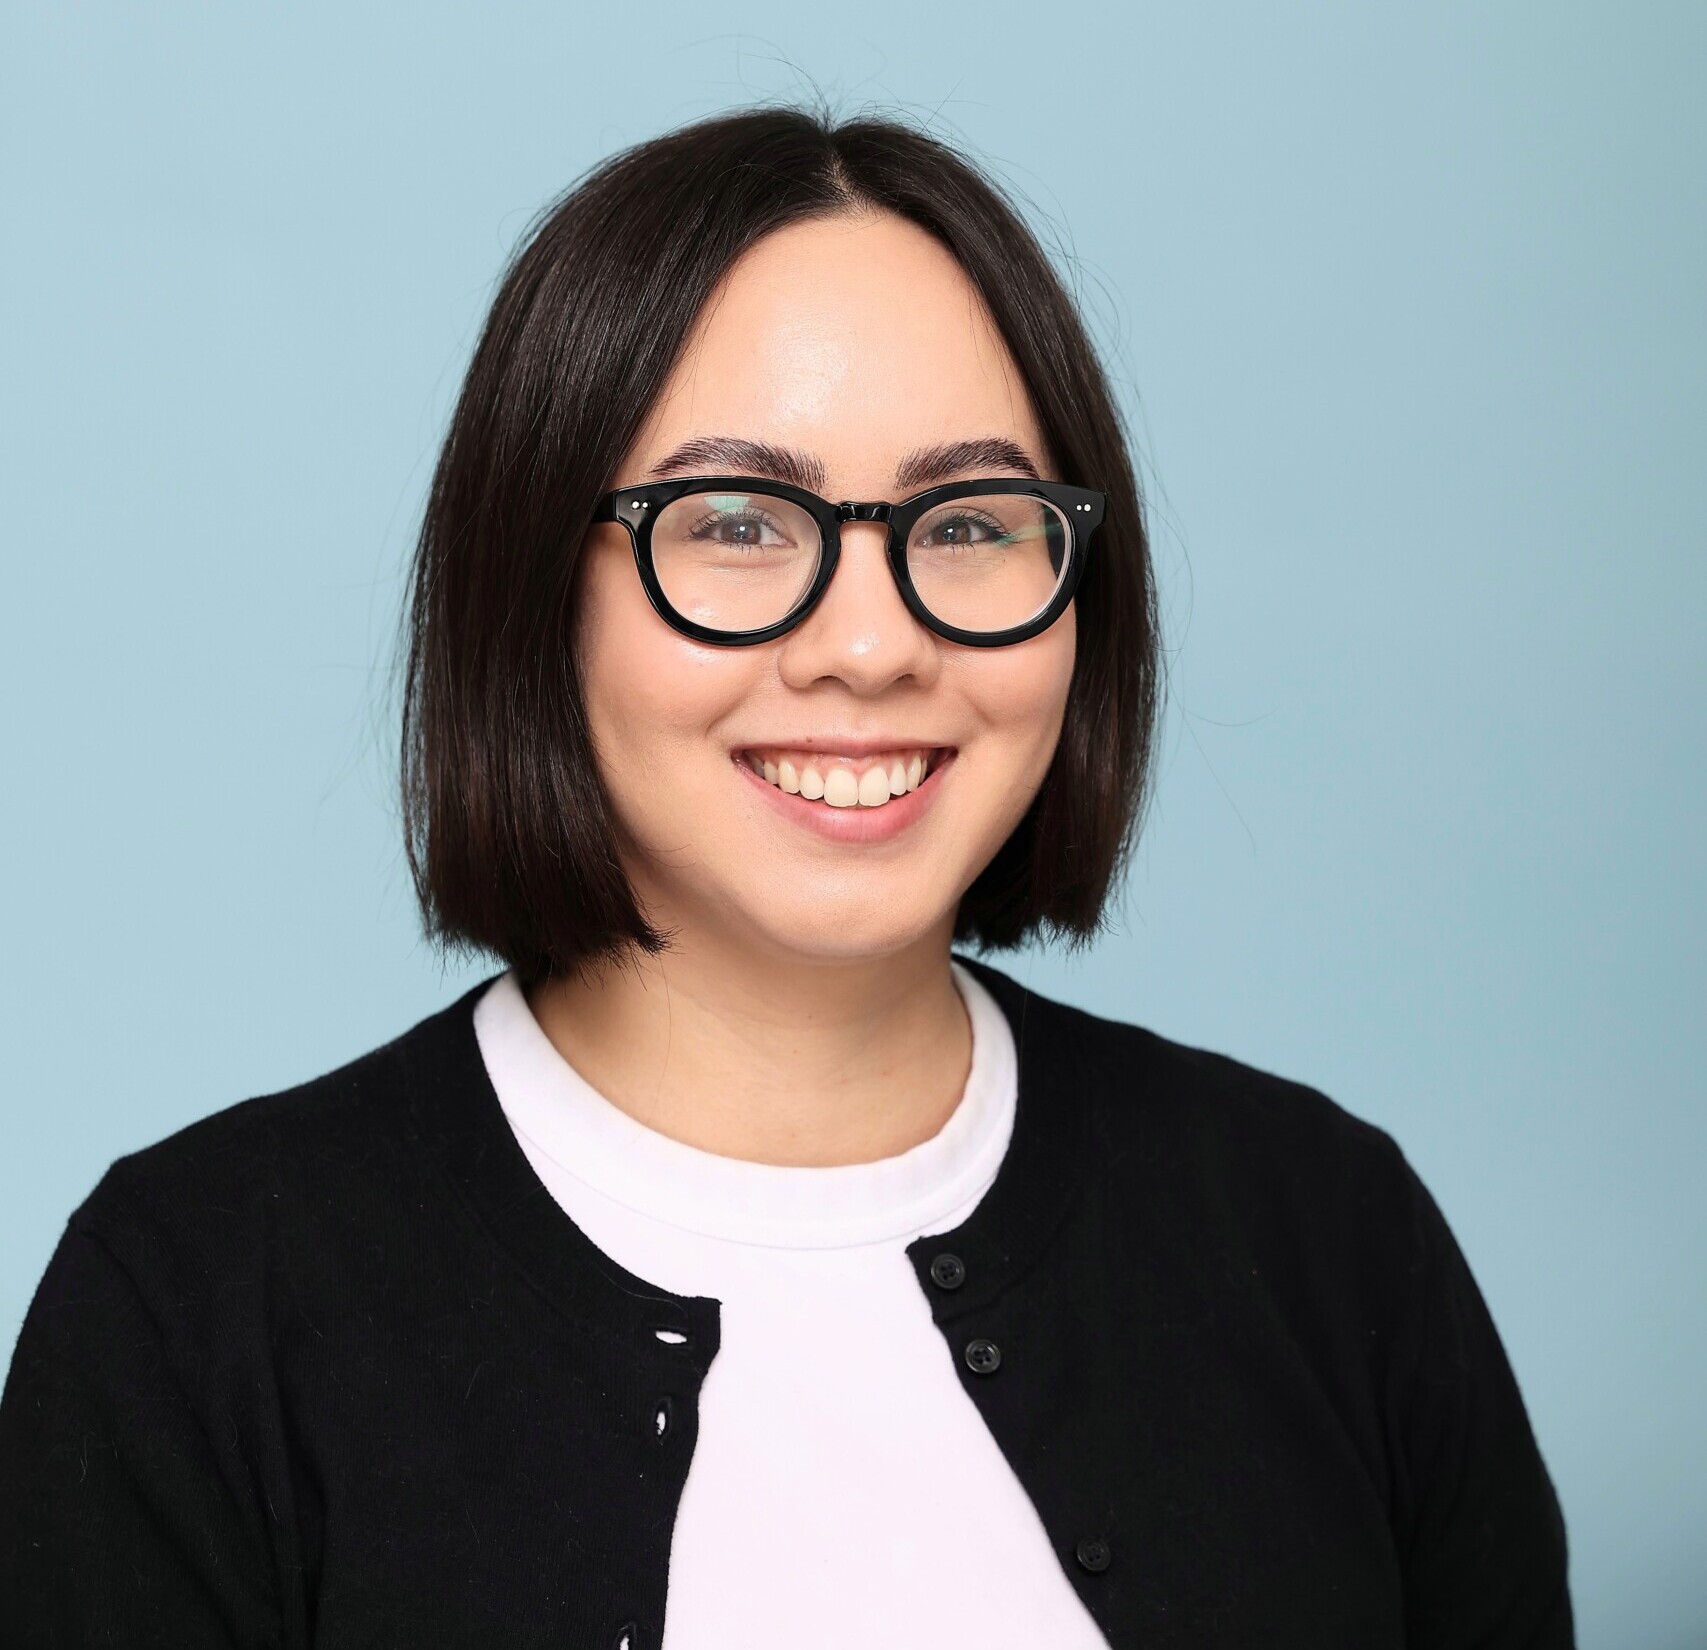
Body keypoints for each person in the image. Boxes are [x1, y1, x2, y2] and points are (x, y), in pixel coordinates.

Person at [0, 106, 1573, 1648]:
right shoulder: (193, 1308)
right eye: (741, 521)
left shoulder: (1327, 1237)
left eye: (969, 523)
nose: (872, 645)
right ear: (535, 586)